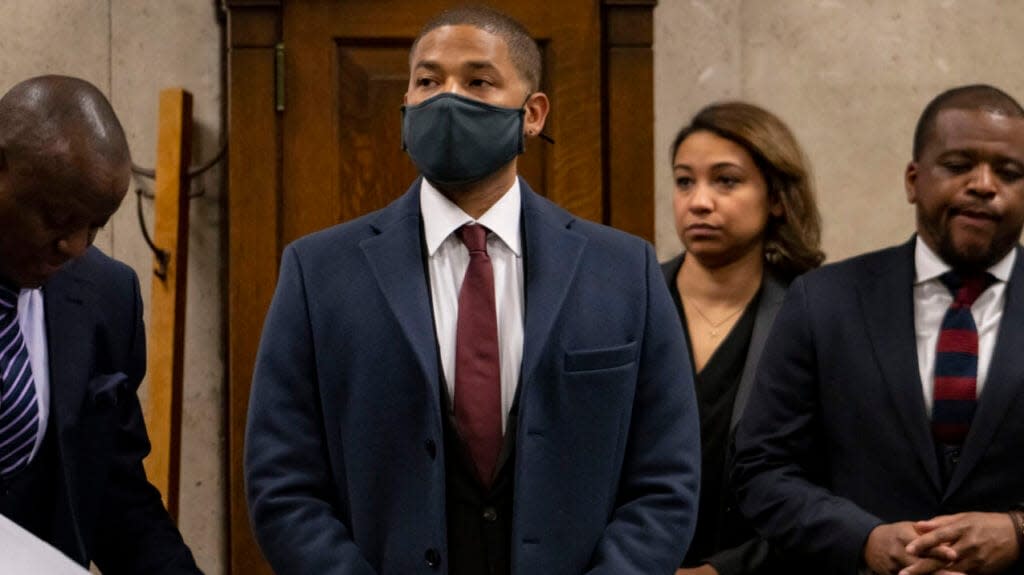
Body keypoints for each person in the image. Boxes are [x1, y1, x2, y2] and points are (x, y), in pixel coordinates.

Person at [245, 6, 700, 575]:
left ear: (532, 114)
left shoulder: (623, 269)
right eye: (428, 81)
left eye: (478, 81)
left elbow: (665, 477)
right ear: (405, 105)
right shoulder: (319, 271)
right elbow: (281, 482)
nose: (446, 99)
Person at [732, 83, 1024, 575]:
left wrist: (1017, 530)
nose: (983, 184)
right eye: (957, 166)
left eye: (1009, 172)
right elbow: (762, 471)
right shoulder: (822, 301)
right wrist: (862, 538)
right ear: (913, 179)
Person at [0, 75, 200, 572]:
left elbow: (118, 497)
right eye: (56, 217)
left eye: (95, 226)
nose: (74, 247)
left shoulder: (106, 296)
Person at [663, 102, 824, 575]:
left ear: (776, 197)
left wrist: (726, 570)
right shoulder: (632, 302)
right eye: (684, 181)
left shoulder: (816, 312)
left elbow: (827, 477)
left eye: (726, 181)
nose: (699, 202)